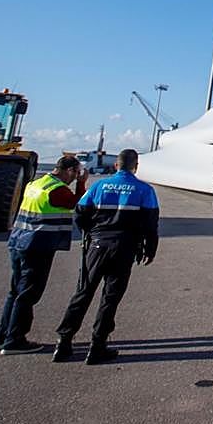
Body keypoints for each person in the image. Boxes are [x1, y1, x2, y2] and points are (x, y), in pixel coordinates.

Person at [53, 148, 159, 364]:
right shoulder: (145, 190)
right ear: (136, 167)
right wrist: (150, 249)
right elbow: (150, 223)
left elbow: (80, 213)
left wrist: (92, 233)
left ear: (116, 166)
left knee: (83, 292)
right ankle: (97, 345)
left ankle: (63, 343)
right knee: (110, 297)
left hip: (98, 245)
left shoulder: (99, 185)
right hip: (125, 247)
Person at [0, 155, 87, 355]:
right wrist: (81, 184)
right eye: (75, 173)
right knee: (27, 294)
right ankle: (15, 340)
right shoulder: (57, 190)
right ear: (70, 171)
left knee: (15, 291)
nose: (75, 177)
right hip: (37, 246)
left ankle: (1, 336)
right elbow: (78, 204)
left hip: (18, 242)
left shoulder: (35, 184)